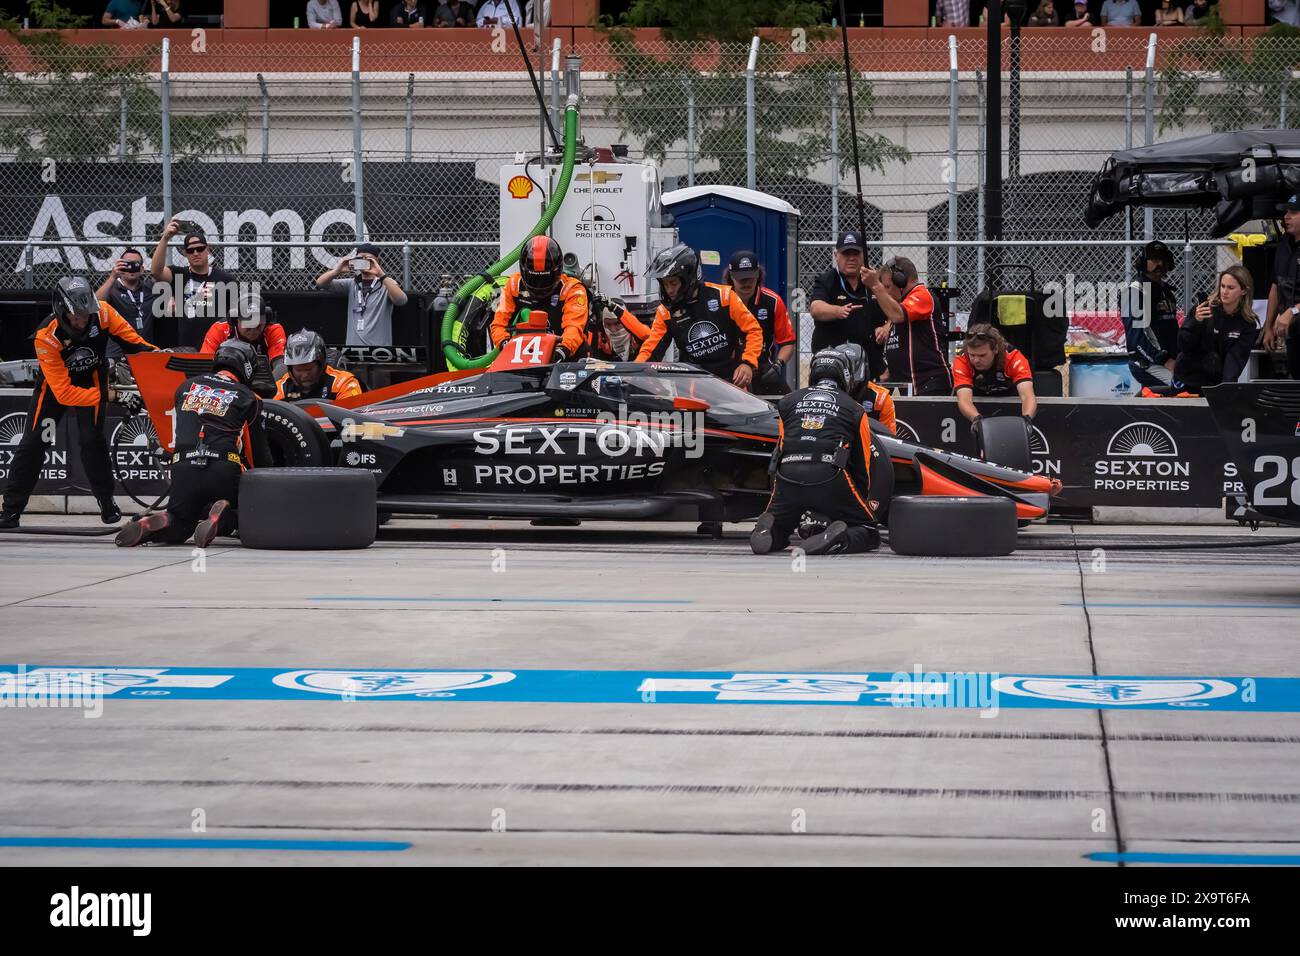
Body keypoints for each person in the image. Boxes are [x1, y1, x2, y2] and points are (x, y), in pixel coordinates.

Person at [0, 277, 158, 530]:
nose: (83, 321)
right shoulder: (46, 336)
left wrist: (163, 357)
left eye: (87, 315)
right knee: (33, 444)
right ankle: (10, 511)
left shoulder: (104, 313)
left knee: (92, 441)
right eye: (77, 316)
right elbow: (64, 393)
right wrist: (113, 396)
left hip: (92, 380)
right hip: (54, 389)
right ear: (61, 311)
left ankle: (107, 504)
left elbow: (136, 344)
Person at [115, 340, 272, 549]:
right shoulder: (249, 397)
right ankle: (223, 514)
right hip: (223, 467)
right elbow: (257, 454)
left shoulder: (185, 387)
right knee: (247, 517)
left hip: (183, 468)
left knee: (180, 524)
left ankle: (163, 521)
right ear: (248, 366)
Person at [750, 348, 885, 556]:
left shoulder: (787, 402)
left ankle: (771, 528)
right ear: (846, 375)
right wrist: (858, 497)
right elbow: (862, 464)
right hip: (829, 474)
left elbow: (781, 449)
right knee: (869, 531)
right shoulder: (855, 409)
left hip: (788, 474)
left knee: (782, 522)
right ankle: (839, 539)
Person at [635, 244, 763, 390]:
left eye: (673, 283)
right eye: (665, 284)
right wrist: (634, 374)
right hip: (692, 385)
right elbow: (650, 350)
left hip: (732, 381)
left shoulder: (724, 296)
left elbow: (753, 330)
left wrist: (748, 363)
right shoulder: (665, 312)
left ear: (689, 278)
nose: (669, 290)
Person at [491, 236, 588, 361]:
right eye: (535, 279)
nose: (539, 285)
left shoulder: (573, 289)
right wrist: (505, 345)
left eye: (544, 280)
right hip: (521, 358)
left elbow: (574, 327)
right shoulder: (514, 284)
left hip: (565, 357)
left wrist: (563, 350)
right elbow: (498, 324)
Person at [808, 231, 887, 378]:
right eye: (846, 254)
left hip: (869, 365)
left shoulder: (874, 280)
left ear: (864, 255)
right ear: (836, 255)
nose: (851, 258)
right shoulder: (827, 280)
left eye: (856, 254)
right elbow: (815, 308)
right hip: (832, 365)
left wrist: (885, 328)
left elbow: (895, 313)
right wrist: (838, 311)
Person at [1169, 266, 1259, 395]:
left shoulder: (1247, 323)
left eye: (1231, 288)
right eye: (1223, 286)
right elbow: (1183, 346)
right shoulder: (1204, 309)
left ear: (1244, 291)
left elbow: (1235, 361)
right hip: (1187, 377)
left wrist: (1226, 391)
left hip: (1214, 382)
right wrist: (1196, 322)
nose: (1225, 291)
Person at [150, 221, 237, 348]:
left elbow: (235, 316)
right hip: (188, 347)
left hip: (219, 346)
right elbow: (156, 271)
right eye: (190, 250)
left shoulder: (226, 279)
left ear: (208, 250)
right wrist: (165, 238)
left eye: (200, 249)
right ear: (185, 254)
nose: (196, 253)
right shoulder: (179, 274)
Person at [873, 256, 951, 395]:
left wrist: (876, 287)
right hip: (910, 387)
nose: (886, 292)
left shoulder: (922, 295)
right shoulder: (900, 307)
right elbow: (904, 348)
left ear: (901, 280)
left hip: (928, 385)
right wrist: (886, 375)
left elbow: (898, 315)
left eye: (888, 287)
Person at [724, 250, 795, 394]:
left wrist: (778, 365)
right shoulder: (721, 300)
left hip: (763, 370)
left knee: (788, 407)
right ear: (731, 276)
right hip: (727, 371)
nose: (747, 283)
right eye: (741, 279)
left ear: (758, 275)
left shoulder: (773, 301)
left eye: (750, 278)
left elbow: (788, 342)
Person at [314, 244, 408, 348]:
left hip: (380, 349)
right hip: (353, 348)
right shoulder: (352, 284)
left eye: (369, 259)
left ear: (378, 261)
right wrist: (337, 270)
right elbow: (320, 283)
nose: (364, 261)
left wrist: (380, 274)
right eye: (360, 258)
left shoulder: (386, 283)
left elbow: (401, 300)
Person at [952, 324, 1038, 430]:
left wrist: (1026, 419)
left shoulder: (1013, 357)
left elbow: (1027, 396)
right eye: (972, 355)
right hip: (975, 403)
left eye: (982, 355)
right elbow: (964, 400)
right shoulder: (962, 360)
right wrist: (976, 419)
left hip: (1010, 399)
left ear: (995, 349)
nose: (976, 360)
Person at [1124, 239, 1181, 388]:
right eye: (1154, 259)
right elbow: (1135, 340)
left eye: (1163, 259)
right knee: (1184, 386)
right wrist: (1165, 361)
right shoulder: (1134, 292)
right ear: (1143, 262)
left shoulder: (1166, 291)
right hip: (1148, 363)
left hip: (1169, 360)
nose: (1159, 264)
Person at [96, 248, 161, 360]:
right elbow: (96, 304)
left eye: (135, 264)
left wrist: (172, 297)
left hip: (144, 351)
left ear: (142, 269)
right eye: (127, 264)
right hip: (117, 354)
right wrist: (112, 277)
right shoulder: (112, 289)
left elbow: (166, 279)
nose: (131, 268)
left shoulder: (150, 288)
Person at [1263, 195, 1300, 380]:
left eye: (1293, 212)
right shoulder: (1283, 245)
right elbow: (1275, 287)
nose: (1286, 216)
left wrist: (1292, 311)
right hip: (1292, 331)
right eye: (1286, 212)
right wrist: (1268, 327)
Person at [275, 330, 363, 401]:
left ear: (321, 365)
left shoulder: (343, 382)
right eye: (299, 370)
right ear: (290, 370)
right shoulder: (281, 387)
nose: (305, 375)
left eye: (309, 369)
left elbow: (350, 420)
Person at [201, 294, 287, 365]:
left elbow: (279, 364)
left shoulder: (274, 329)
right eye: (248, 325)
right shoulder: (220, 329)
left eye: (258, 325)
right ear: (235, 320)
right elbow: (205, 363)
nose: (253, 330)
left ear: (266, 319)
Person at [835, 343, 897, 435]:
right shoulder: (822, 394)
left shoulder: (880, 398)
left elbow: (889, 438)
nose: (849, 386)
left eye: (854, 382)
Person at [586, 295, 652, 362]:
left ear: (625, 322)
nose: (613, 329)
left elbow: (647, 335)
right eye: (608, 324)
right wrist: (592, 317)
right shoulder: (599, 339)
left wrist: (615, 308)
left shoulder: (637, 337)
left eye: (617, 323)